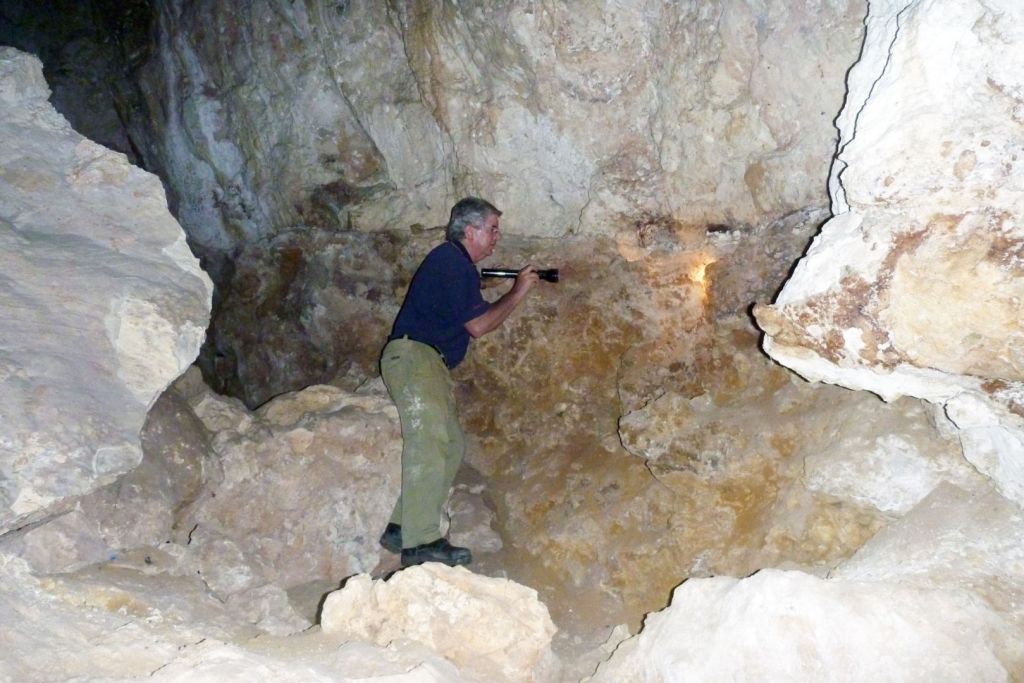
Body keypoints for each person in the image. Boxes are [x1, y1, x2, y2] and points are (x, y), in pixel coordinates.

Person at [378, 197, 539, 567]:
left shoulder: (456, 266)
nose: (497, 237)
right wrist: (518, 292)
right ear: (470, 230)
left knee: (451, 445)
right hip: (414, 356)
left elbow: (473, 314)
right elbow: (479, 326)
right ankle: (420, 543)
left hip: (428, 362)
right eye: (492, 229)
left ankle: (403, 526)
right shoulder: (451, 261)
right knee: (430, 440)